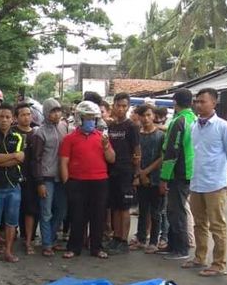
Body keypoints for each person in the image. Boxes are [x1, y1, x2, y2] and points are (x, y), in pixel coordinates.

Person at [182, 88, 227, 276]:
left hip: (215, 184)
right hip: (196, 182)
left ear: (214, 103)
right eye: (196, 101)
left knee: (217, 225)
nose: (198, 104)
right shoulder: (194, 126)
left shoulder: (224, 127)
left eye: (202, 101)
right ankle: (199, 257)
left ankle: (219, 264)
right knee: (199, 223)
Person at [60, 101, 115, 259]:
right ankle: (74, 248)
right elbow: (63, 162)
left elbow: (111, 159)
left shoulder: (102, 137)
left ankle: (96, 248)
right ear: (79, 119)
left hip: (99, 181)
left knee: (98, 216)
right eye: (87, 118)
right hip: (77, 181)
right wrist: (67, 183)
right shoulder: (69, 139)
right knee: (77, 216)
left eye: (93, 118)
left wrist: (106, 147)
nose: (90, 121)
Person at [159, 88, 196, 261]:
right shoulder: (193, 119)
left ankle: (180, 249)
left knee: (176, 211)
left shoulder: (179, 121)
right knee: (175, 209)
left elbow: (172, 151)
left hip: (178, 173)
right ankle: (173, 245)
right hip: (188, 171)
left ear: (175, 102)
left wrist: (164, 177)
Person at [0, 103, 25, 263]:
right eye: (1, 116)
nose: (4, 120)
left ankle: (8, 251)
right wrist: (13, 156)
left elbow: (20, 159)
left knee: (12, 221)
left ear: (13, 119)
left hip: (14, 184)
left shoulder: (19, 136)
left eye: (8, 117)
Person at [31, 98, 68, 257]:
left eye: (58, 110)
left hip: (62, 176)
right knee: (46, 212)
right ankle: (47, 243)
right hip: (46, 177)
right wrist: (39, 182)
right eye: (53, 111)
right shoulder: (40, 132)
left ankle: (51, 238)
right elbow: (36, 159)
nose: (56, 114)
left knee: (62, 210)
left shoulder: (64, 127)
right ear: (46, 113)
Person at [107, 93, 141, 253]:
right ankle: (115, 237)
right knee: (115, 206)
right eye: (118, 105)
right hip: (111, 172)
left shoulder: (132, 127)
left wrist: (136, 174)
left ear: (128, 107)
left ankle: (123, 240)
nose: (121, 109)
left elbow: (137, 151)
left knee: (124, 208)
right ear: (113, 105)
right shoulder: (111, 127)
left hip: (126, 172)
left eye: (124, 106)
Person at [131, 104, 164, 253]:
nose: (146, 118)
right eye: (143, 115)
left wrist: (146, 172)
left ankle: (153, 241)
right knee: (143, 209)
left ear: (154, 116)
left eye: (148, 115)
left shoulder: (161, 135)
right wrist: (139, 173)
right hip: (141, 176)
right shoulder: (138, 134)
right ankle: (141, 239)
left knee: (156, 212)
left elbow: (162, 158)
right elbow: (136, 155)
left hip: (156, 177)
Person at [14, 102, 39, 255]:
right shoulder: (11, 133)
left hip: (32, 177)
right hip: (13, 176)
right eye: (22, 114)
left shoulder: (37, 133)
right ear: (16, 118)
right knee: (15, 210)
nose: (26, 117)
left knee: (31, 210)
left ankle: (29, 240)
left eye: (28, 114)